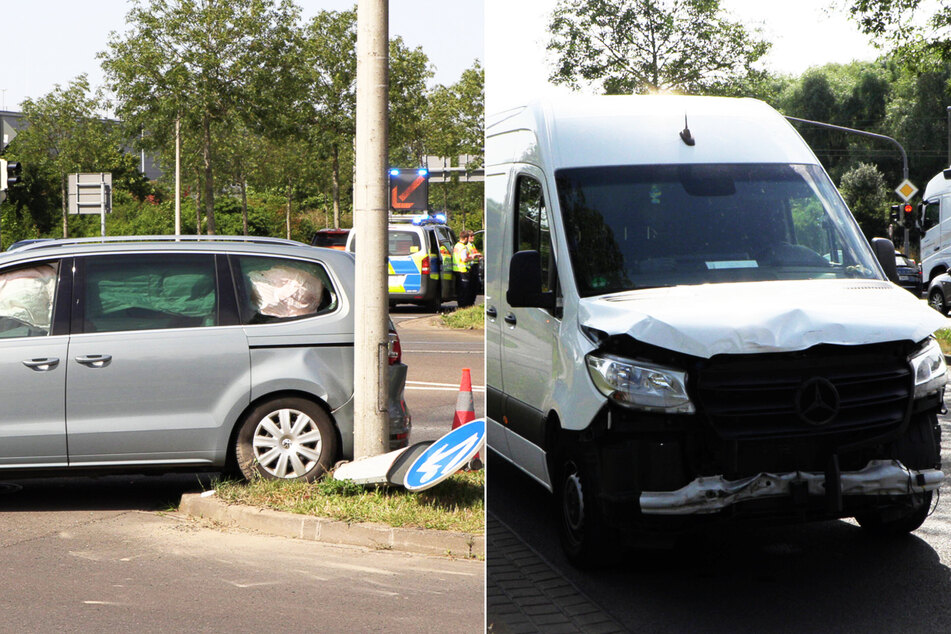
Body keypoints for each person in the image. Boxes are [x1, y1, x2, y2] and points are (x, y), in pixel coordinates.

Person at [453, 231, 473, 307]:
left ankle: (460, 305)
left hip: (456, 270)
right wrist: (471, 258)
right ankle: (463, 306)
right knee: (464, 290)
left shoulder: (456, 245)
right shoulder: (463, 247)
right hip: (463, 271)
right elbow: (464, 259)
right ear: (465, 238)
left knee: (459, 290)